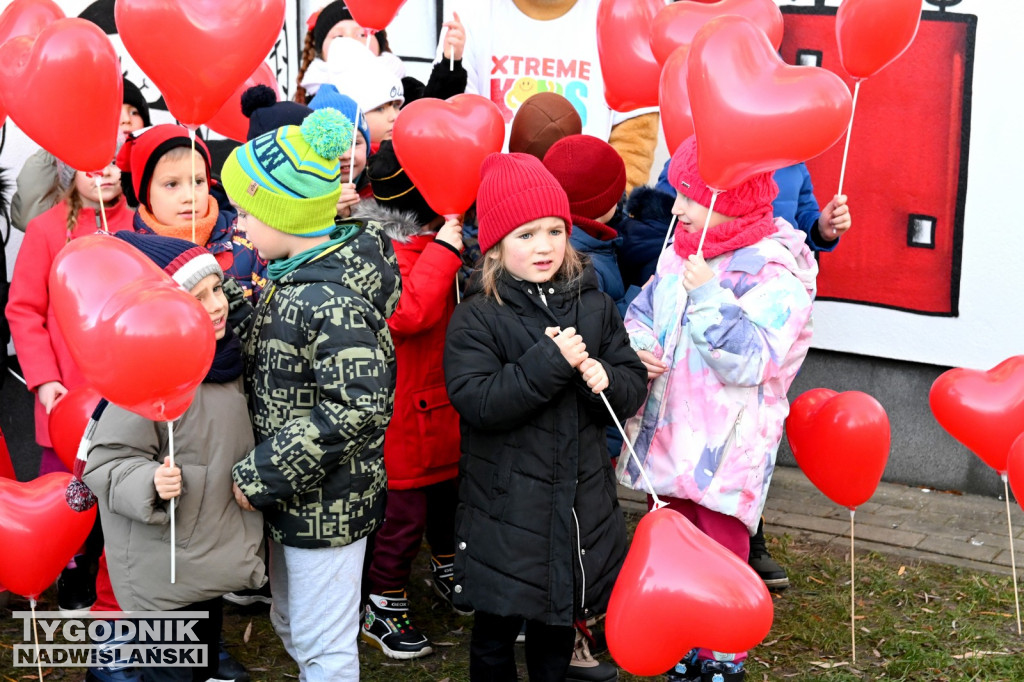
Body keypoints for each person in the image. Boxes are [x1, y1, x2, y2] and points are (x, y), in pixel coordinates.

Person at [618, 136, 817, 682]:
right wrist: (639, 344)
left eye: (687, 196)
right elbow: (643, 307)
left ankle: (721, 653)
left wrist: (708, 298)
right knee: (673, 532)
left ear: (726, 200)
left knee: (719, 544)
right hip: (672, 430)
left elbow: (751, 360)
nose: (675, 207)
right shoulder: (681, 248)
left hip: (725, 445)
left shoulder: (775, 271)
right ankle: (684, 636)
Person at [444, 152, 648, 681]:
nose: (544, 247)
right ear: (494, 245)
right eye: (526, 234)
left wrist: (608, 376)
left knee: (557, 621)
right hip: (506, 508)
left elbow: (626, 385)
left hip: (577, 502)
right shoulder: (477, 316)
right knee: (496, 628)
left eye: (554, 231)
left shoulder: (594, 304)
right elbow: (479, 400)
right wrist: (548, 363)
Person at [220, 108, 401, 682]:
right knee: (293, 622)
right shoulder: (290, 278)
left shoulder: (330, 300)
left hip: (326, 509)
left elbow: (359, 406)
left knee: (324, 644)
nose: (239, 224)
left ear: (287, 214)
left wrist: (263, 472)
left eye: (248, 210)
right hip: (289, 501)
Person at [82, 231, 267, 682]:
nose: (217, 304)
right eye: (197, 297)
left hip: (206, 557)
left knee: (199, 659)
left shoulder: (225, 361)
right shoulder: (146, 377)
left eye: (218, 289)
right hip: (161, 567)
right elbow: (105, 462)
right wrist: (147, 481)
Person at [353, 141, 466, 660]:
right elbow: (408, 313)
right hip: (404, 415)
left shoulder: (440, 242)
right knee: (402, 516)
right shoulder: (384, 251)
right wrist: (445, 250)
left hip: (443, 404)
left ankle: (448, 566)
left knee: (448, 500)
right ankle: (383, 600)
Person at [448, 0, 659, 190]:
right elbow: (455, 126)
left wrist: (611, 207)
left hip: (586, 218)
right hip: (492, 211)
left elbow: (635, 133)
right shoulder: (471, 13)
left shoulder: (620, 13)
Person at [116, 124, 266, 302]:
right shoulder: (131, 258)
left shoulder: (248, 238)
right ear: (145, 193)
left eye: (198, 181)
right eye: (171, 184)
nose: (189, 197)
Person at [11, 76, 150, 232]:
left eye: (134, 112)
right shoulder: (71, 177)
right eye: (115, 110)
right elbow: (28, 217)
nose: (126, 120)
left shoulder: (159, 169)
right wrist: (60, 146)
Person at [295, 0, 466, 106]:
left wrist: (450, 62)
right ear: (320, 50)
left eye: (361, 34)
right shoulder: (310, 101)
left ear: (380, 44)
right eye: (338, 36)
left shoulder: (403, 89)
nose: (351, 41)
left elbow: (435, 108)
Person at [543, 134, 628, 314]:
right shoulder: (585, 270)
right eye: (617, 193)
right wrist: (639, 301)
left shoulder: (576, 244)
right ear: (601, 204)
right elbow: (597, 329)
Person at [309, 84, 374, 211]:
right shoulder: (297, 192)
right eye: (332, 143)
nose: (345, 155)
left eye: (355, 143)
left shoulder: (383, 187)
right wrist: (325, 213)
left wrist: (354, 214)